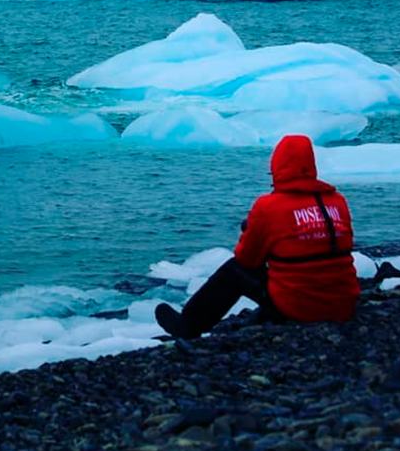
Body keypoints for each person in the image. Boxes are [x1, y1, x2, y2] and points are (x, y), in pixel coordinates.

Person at [154, 134, 360, 339]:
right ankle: (263, 317)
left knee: (234, 270)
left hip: (300, 308)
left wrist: (252, 231)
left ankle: (188, 325)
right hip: (343, 304)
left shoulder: (269, 207)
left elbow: (247, 259)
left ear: (278, 167)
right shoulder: (338, 201)